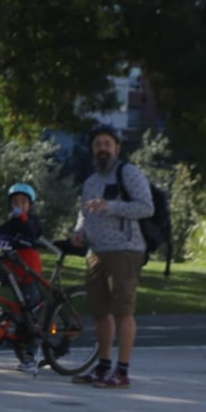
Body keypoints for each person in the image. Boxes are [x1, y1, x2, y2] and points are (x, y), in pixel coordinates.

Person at [70, 126, 156, 389]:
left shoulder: (128, 173)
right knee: (100, 312)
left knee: (122, 311)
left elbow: (146, 207)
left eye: (107, 144)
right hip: (96, 252)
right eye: (98, 144)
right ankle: (103, 366)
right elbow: (84, 212)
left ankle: (122, 371)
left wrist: (111, 206)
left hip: (125, 249)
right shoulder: (91, 181)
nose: (102, 149)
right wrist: (79, 232)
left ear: (117, 148)